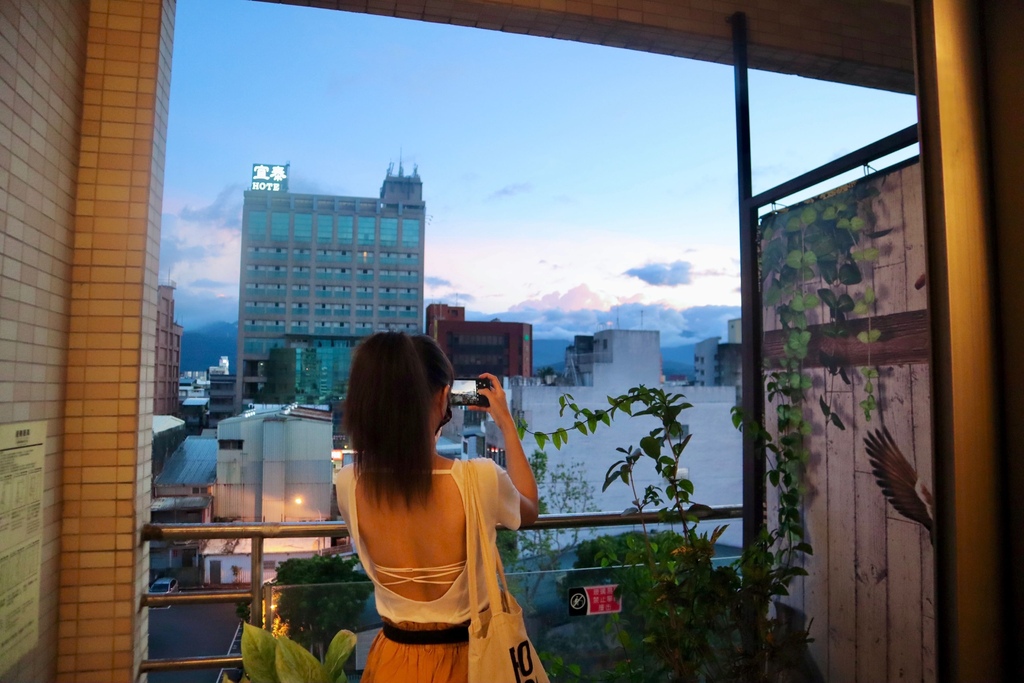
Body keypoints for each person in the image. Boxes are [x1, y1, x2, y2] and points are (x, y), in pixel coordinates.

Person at [335, 332, 540, 682]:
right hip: (470, 663)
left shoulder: (348, 483)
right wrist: (504, 421)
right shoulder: (478, 478)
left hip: (392, 661)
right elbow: (529, 509)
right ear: (445, 396)